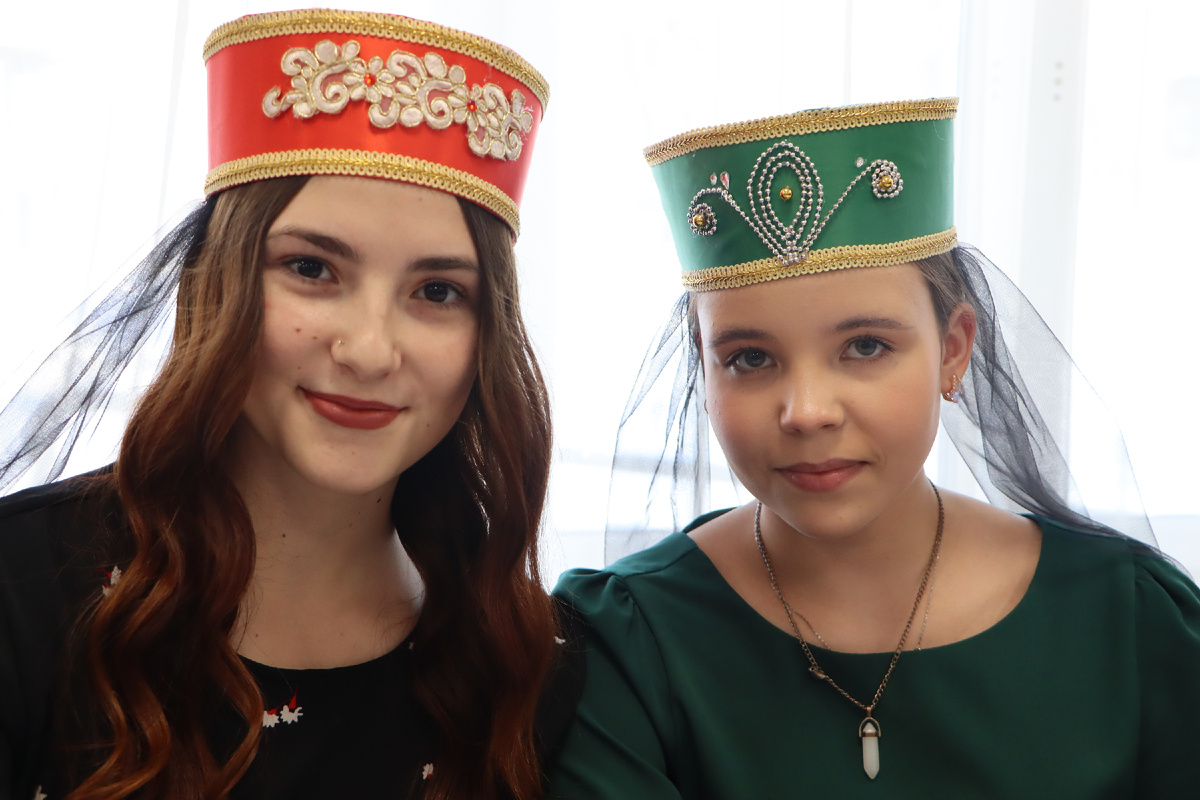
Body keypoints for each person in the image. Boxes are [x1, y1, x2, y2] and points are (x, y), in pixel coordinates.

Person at [0, 9, 579, 800]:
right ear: (218, 282)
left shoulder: (526, 667)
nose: (369, 349)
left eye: (438, 291)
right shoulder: (20, 593)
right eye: (311, 269)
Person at [548, 98, 1200, 798]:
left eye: (865, 347)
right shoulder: (622, 646)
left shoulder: (1127, 621)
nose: (807, 412)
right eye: (749, 359)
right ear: (702, 372)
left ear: (953, 350)